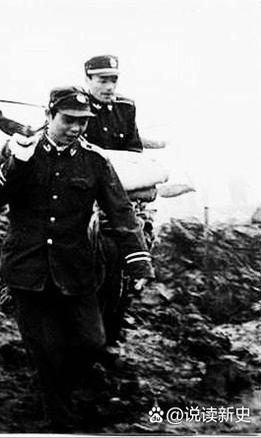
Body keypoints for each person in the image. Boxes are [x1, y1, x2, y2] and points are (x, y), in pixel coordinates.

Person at [0, 86, 154, 423]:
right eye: (68, 120)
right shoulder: (21, 151)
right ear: (49, 116)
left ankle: (68, 392)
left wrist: (139, 263)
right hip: (27, 268)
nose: (76, 128)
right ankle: (59, 419)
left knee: (92, 342)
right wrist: (16, 164)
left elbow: (121, 212)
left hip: (75, 268)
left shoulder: (95, 161)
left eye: (82, 122)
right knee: (45, 351)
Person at [83, 55, 156, 346]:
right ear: (88, 80)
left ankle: (113, 330)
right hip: (83, 197)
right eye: (102, 80)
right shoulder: (76, 109)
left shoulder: (126, 108)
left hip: (119, 197)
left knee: (133, 255)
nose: (109, 86)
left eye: (113, 80)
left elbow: (133, 153)